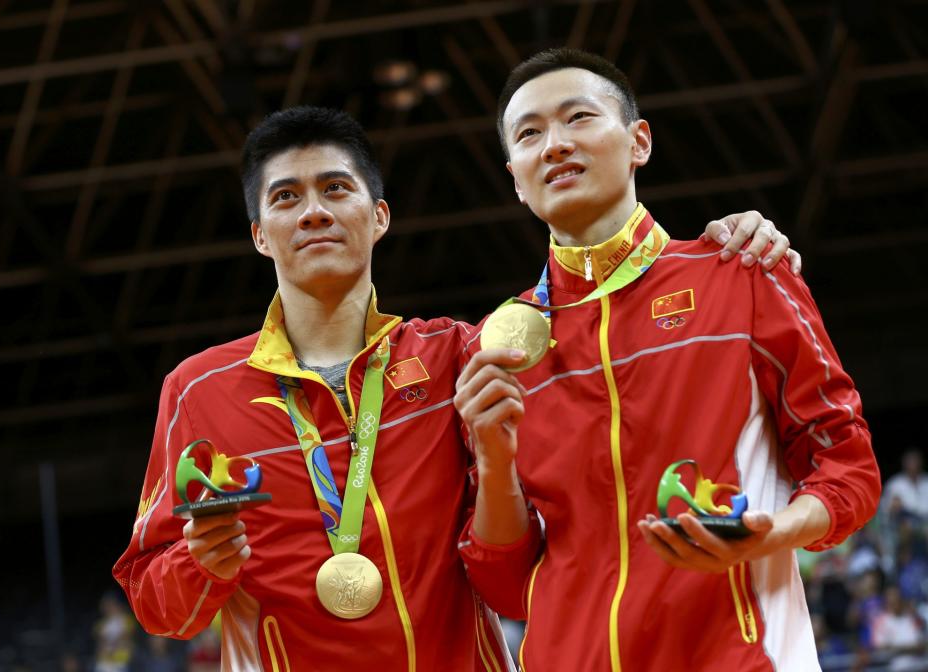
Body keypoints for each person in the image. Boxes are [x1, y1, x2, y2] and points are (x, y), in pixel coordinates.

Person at [112, 106, 793, 670]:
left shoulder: (456, 357)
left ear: (378, 217)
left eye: (336, 189)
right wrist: (201, 564)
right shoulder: (201, 389)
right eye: (287, 197)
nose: (314, 211)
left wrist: (708, 256)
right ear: (261, 235)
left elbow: (608, 340)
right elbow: (156, 605)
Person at [455, 48, 880, 671]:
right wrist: (493, 463)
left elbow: (849, 467)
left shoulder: (741, 275)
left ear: (638, 142)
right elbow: (505, 584)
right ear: (516, 178)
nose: (554, 145)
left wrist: (771, 533)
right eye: (529, 133)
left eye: (578, 117)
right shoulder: (495, 346)